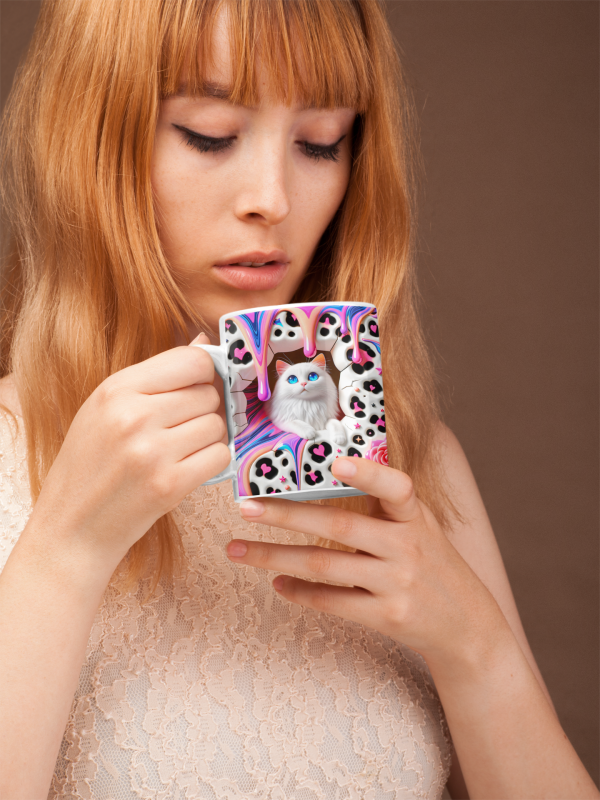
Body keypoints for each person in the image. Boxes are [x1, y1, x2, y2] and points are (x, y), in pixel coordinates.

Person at [0, 0, 596, 797]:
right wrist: (61, 559)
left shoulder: (414, 463)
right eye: (209, 133)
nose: (272, 199)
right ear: (89, 140)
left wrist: (477, 647)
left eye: (322, 142)